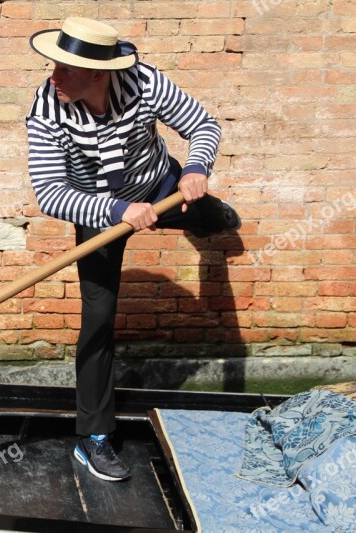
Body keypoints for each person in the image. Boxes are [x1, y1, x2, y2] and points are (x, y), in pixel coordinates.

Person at [26, 17, 241, 481]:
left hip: (160, 185)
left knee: (200, 207)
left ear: (99, 74)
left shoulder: (144, 82)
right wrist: (118, 210)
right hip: (100, 213)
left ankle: (205, 213)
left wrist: (197, 167)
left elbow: (203, 124)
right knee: (98, 319)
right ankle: (94, 437)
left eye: (65, 70)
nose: (53, 77)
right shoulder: (47, 109)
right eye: (54, 66)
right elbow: (48, 193)